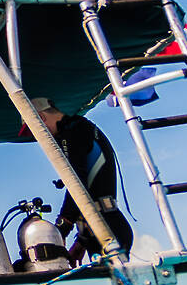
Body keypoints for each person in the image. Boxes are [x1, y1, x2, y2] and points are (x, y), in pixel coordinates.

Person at [29, 97, 133, 264]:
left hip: (107, 232)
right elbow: (92, 190)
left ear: (41, 118)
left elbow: (77, 183)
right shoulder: (80, 128)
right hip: (104, 229)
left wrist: (62, 228)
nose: (37, 137)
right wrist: (81, 243)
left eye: (33, 130)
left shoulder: (73, 131)